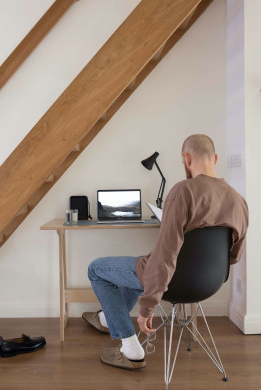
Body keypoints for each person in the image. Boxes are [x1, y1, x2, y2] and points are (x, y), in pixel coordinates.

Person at [82, 134, 249, 370]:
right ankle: (107, 318)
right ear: (216, 158)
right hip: (209, 284)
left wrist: (147, 307)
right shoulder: (238, 200)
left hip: (172, 280)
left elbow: (165, 256)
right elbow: (234, 256)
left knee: (97, 269)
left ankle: (130, 347)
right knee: (142, 265)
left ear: (185, 158)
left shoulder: (184, 191)